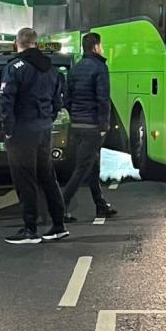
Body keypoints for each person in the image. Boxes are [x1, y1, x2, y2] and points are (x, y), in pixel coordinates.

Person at [0, 28, 69, 244]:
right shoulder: (51, 69)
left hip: (22, 131)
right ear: (36, 44)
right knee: (47, 176)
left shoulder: (15, 68)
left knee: (25, 179)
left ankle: (30, 229)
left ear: (17, 44)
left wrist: (9, 130)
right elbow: (57, 103)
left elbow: (4, 103)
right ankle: (58, 225)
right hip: (44, 130)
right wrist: (47, 120)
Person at [61, 33, 117, 223]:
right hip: (92, 126)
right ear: (96, 47)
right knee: (83, 168)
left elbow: (67, 98)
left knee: (93, 165)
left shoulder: (75, 68)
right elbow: (103, 99)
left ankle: (100, 204)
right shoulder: (100, 68)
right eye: (101, 45)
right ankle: (61, 205)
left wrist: (75, 116)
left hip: (77, 125)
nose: (102, 48)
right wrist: (104, 125)